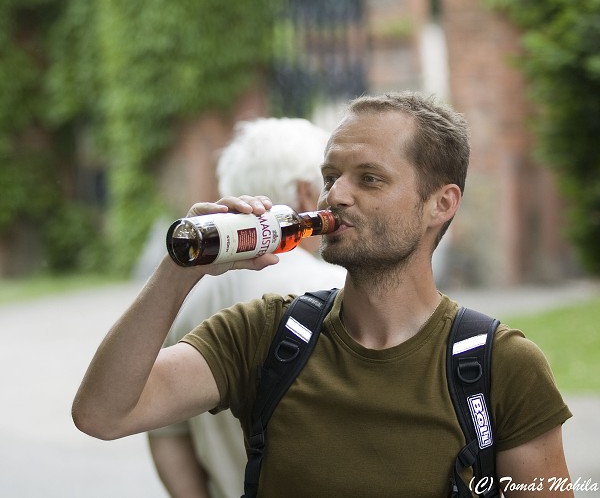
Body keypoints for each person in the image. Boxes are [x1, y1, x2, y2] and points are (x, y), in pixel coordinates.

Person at [73, 91, 573, 498]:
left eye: (369, 179)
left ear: (440, 204)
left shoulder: (499, 367)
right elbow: (103, 413)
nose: (335, 196)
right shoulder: (266, 333)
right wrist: (179, 270)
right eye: (330, 177)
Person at [147, 117, 346, 498]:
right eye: (327, 184)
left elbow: (166, 431)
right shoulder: (334, 290)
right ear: (305, 195)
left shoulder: (185, 293)